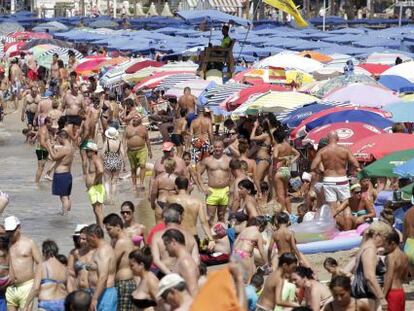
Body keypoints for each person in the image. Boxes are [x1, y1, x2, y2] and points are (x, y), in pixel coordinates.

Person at [311, 131, 360, 215]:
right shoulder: (344, 150)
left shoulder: (323, 151)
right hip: (342, 179)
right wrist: (350, 171)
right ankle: (346, 226)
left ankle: (334, 220)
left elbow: (313, 167)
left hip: (328, 180)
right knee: (346, 205)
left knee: (332, 206)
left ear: (327, 139)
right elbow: (356, 164)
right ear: (338, 139)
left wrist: (320, 173)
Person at [352, 221, 392, 311]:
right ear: (377, 235)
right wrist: (381, 298)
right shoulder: (370, 249)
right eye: (385, 237)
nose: (385, 241)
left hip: (361, 293)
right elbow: (369, 276)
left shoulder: (364, 247)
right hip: (366, 295)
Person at [5, 216, 42, 311]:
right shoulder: (5, 244)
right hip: (9, 287)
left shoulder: (29, 243)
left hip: (27, 286)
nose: (10, 234)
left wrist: (36, 284)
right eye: (8, 231)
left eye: (12, 231)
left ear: (19, 227)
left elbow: (40, 263)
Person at [150, 206, 199, 278]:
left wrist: (171, 275)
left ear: (164, 219)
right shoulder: (190, 236)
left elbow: (156, 260)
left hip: (165, 273)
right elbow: (196, 259)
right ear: (179, 219)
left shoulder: (157, 236)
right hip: (185, 273)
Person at [103, 214, 136, 311]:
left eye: (109, 229)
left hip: (124, 284)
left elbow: (111, 262)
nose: (108, 232)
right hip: (123, 283)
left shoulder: (121, 242)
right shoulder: (118, 240)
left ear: (118, 226)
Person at [166, 176, 213, 242]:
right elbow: (204, 222)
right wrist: (211, 239)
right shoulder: (197, 202)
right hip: (192, 236)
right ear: (188, 187)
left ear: (176, 186)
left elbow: (166, 219)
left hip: (177, 236)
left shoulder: (170, 199)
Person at [196, 140, 231, 225]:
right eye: (215, 147)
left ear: (223, 148)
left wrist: (232, 188)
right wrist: (202, 186)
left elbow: (234, 175)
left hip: (225, 190)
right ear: (212, 148)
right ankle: (210, 237)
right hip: (212, 190)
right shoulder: (207, 160)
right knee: (210, 216)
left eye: (219, 147)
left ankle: (221, 237)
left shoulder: (229, 160)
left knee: (221, 215)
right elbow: (198, 173)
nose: (217, 149)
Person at [85, 224, 117, 311]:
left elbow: (103, 277)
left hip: (105, 294)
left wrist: (94, 298)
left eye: (88, 239)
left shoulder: (103, 251)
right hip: (100, 293)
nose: (87, 242)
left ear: (93, 236)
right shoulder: (99, 249)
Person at [162, 229, 199, 297]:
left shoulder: (185, 262)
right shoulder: (181, 260)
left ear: (173, 242)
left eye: (166, 244)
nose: (165, 249)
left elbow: (194, 292)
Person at [46, 130, 74, 215]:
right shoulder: (71, 147)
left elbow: (54, 157)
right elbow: (59, 158)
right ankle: (67, 213)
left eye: (58, 138)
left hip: (61, 175)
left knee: (63, 197)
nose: (58, 140)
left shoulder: (65, 148)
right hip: (67, 174)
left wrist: (49, 147)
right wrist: (54, 148)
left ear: (62, 137)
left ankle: (65, 215)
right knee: (66, 196)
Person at [232, 216, 268, 283]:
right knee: (249, 280)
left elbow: (235, 242)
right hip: (244, 254)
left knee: (238, 278)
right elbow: (262, 251)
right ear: (261, 226)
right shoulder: (258, 234)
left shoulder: (245, 230)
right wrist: (266, 263)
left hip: (235, 253)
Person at [272, 129, 300, 214]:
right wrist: (291, 160)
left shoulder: (277, 146)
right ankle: (290, 212)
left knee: (280, 194)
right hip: (286, 170)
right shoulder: (288, 145)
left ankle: (284, 213)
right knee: (286, 194)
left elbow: (275, 157)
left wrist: (283, 158)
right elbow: (298, 154)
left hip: (279, 170)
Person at [37, 240, 67, 311]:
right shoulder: (64, 268)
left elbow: (35, 289)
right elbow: (69, 288)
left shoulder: (42, 266)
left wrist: (26, 304)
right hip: (62, 303)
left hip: (46, 303)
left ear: (44, 251)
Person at [125, 114, 152, 192]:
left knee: (142, 165)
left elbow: (147, 140)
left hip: (142, 149)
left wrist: (150, 150)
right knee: (133, 168)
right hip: (131, 151)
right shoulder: (128, 128)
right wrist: (123, 149)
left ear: (140, 120)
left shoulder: (143, 128)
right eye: (133, 118)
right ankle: (134, 185)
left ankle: (142, 183)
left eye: (136, 118)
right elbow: (124, 139)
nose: (134, 119)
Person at [383, 230, 408, 311]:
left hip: (392, 293)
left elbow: (389, 277)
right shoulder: (404, 256)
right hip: (401, 292)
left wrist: (383, 296)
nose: (384, 247)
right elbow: (405, 276)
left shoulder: (390, 256)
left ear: (393, 243)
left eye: (386, 244)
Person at [67, 224, 94, 293]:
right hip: (78, 289)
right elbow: (69, 272)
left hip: (91, 289)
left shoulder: (96, 252)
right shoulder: (74, 252)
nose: (79, 241)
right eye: (77, 238)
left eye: (83, 239)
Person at [84, 141, 105, 228]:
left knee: (98, 210)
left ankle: (102, 229)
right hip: (93, 188)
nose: (86, 153)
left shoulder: (96, 159)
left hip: (96, 187)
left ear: (93, 151)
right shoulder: (92, 160)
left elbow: (100, 170)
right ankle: (98, 227)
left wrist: (95, 181)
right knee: (95, 210)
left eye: (87, 151)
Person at [151, 158, 178, 222]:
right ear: (174, 166)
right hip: (172, 203)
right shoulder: (176, 178)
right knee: (172, 227)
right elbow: (180, 192)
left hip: (160, 203)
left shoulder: (159, 178)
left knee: (159, 228)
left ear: (165, 166)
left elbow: (153, 193)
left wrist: (152, 204)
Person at [102, 127, 124, 204]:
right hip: (117, 161)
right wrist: (123, 164)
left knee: (107, 181)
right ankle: (113, 198)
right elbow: (123, 154)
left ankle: (108, 197)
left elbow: (102, 154)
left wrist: (103, 161)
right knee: (114, 182)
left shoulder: (106, 142)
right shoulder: (119, 143)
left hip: (108, 161)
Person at [250, 119, 272, 183]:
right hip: (264, 159)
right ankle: (263, 192)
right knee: (264, 181)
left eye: (259, 127)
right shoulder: (267, 134)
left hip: (263, 159)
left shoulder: (265, 135)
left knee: (257, 180)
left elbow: (252, 138)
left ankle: (259, 193)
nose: (258, 128)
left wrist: (255, 127)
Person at [35, 117, 52, 183]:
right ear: (47, 123)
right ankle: (37, 183)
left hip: (43, 149)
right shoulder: (43, 130)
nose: (52, 124)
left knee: (42, 166)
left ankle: (38, 182)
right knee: (40, 167)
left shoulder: (45, 129)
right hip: (41, 149)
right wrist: (49, 150)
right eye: (51, 123)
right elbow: (42, 143)